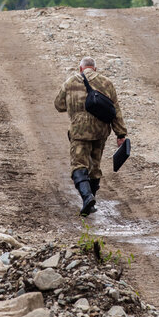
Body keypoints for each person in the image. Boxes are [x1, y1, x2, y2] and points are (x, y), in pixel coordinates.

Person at [54, 56, 127, 215]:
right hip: (100, 131)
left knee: (79, 165)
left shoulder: (70, 82)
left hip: (79, 131)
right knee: (95, 166)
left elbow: (59, 105)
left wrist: (75, 105)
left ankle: (87, 198)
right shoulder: (106, 83)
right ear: (94, 68)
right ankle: (91, 200)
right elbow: (116, 111)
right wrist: (120, 133)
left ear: (80, 68)